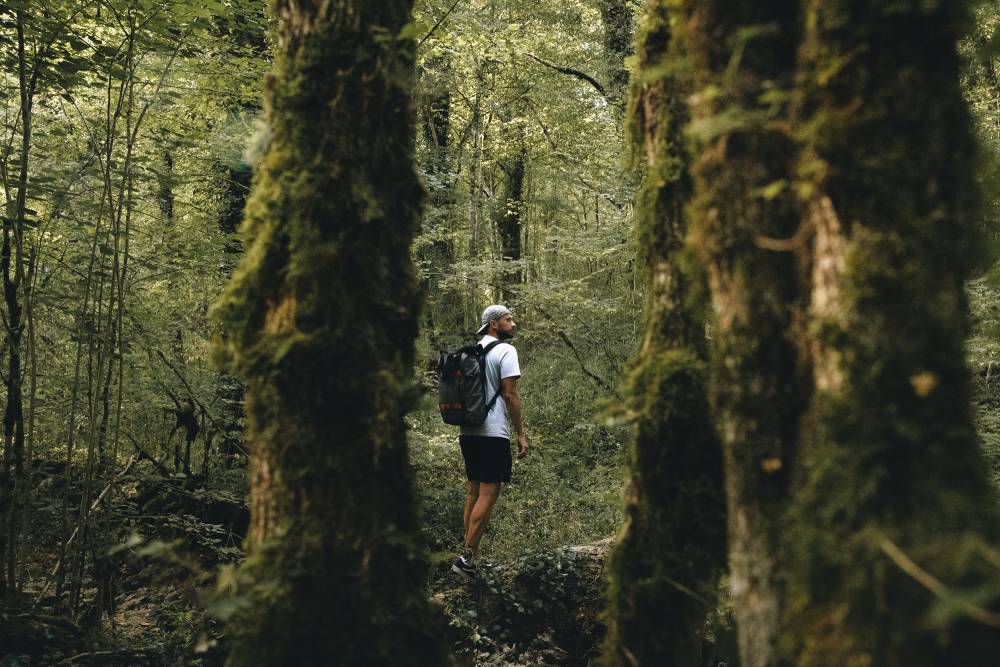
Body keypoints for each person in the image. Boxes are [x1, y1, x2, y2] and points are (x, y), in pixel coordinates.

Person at [452, 304, 529, 579]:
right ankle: (465, 558)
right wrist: (520, 433)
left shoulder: (471, 352)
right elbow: (511, 395)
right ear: (494, 324)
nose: (514, 323)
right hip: (493, 433)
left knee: (473, 492)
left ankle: (474, 558)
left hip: (468, 433)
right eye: (509, 319)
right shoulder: (506, 351)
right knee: (488, 494)